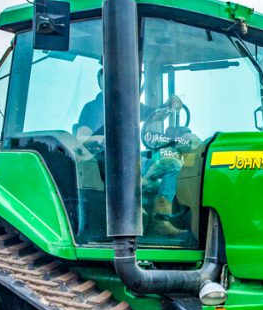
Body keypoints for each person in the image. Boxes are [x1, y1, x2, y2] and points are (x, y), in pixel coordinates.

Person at [75, 68, 200, 236]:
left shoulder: (129, 106)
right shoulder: (93, 108)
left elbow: (155, 116)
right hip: (107, 162)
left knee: (173, 163)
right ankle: (133, 212)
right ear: (100, 83)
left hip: (132, 159)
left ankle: (160, 219)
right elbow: (81, 138)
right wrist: (101, 139)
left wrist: (169, 107)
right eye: (107, 80)